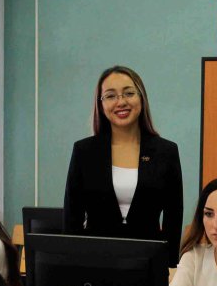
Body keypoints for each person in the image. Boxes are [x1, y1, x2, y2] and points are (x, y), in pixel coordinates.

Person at [64, 66, 183, 266]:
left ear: (141, 98)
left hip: (148, 262)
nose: (121, 102)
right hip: (94, 263)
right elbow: (71, 219)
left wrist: (169, 268)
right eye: (111, 96)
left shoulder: (166, 151)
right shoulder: (84, 151)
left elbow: (173, 219)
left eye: (129, 93)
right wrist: (71, 267)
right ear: (101, 104)